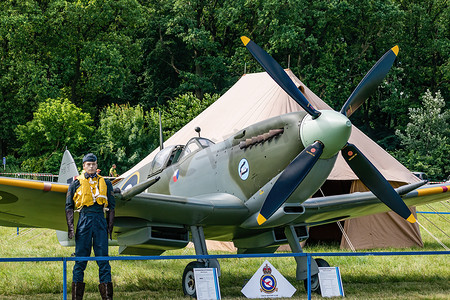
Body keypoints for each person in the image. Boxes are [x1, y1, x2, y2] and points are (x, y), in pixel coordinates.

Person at [65, 153, 115, 300]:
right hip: (84, 220)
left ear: (97, 165)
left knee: (103, 261)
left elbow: (112, 207)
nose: (91, 166)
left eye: (93, 164)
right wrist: (71, 228)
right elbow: (68, 206)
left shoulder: (107, 183)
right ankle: (76, 298)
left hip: (100, 220)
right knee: (80, 260)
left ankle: (107, 297)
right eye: (88, 164)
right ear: (84, 166)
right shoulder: (75, 183)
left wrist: (109, 228)